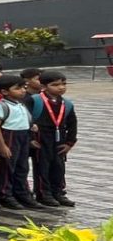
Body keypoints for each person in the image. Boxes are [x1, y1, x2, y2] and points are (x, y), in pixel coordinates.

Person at [29, 71, 76, 208]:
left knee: (59, 166)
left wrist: (70, 142)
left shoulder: (67, 104)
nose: (61, 87)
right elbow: (26, 119)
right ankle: (43, 194)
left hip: (60, 138)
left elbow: (72, 123)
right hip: (41, 138)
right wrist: (30, 139)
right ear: (43, 86)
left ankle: (58, 192)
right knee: (42, 166)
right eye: (55, 85)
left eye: (63, 84)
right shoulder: (35, 100)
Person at [0, 73, 34, 209]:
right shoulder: (1, 106)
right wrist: (2, 145)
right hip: (9, 136)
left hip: (23, 136)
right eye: (17, 88)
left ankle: (21, 193)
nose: (22, 91)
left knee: (22, 166)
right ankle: (5, 194)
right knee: (7, 167)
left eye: (23, 87)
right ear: (4, 91)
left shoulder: (21, 104)